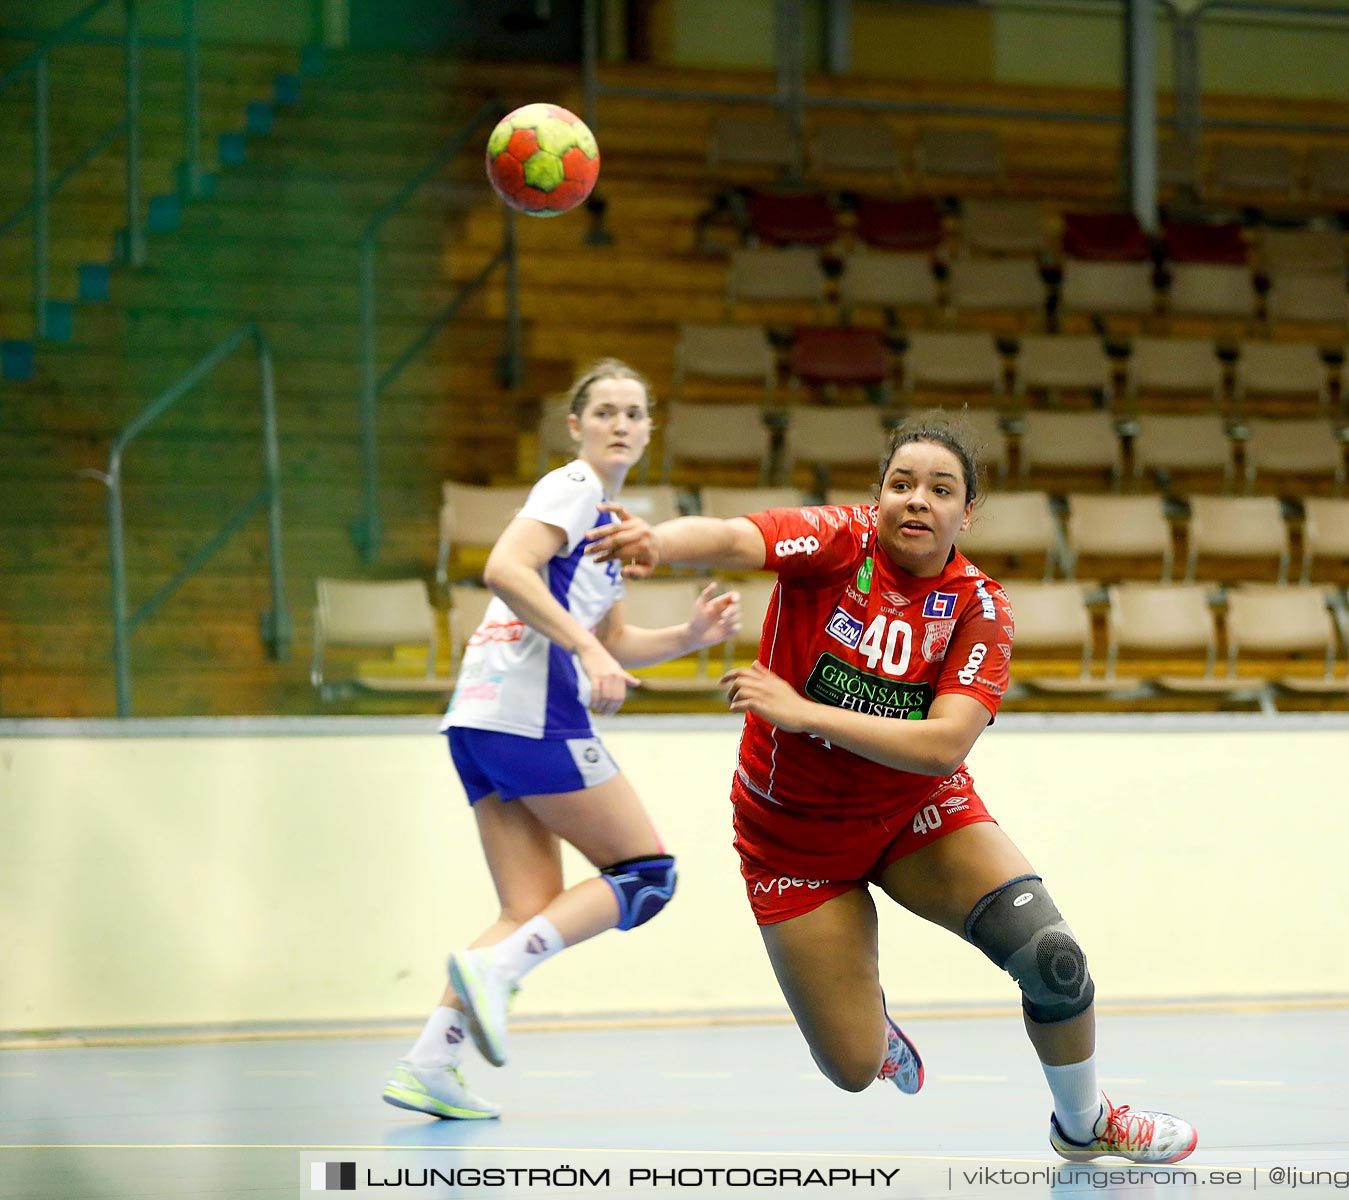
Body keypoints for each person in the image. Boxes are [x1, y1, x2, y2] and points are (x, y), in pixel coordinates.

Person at [585, 414, 1197, 1164]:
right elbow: (737, 537)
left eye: (941, 490)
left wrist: (804, 711)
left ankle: (1083, 1121)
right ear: (877, 497)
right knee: (850, 1068)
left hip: (916, 816)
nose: (918, 500)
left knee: (1053, 960)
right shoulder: (838, 543)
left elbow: (944, 745)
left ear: (965, 513)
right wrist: (658, 541)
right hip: (794, 839)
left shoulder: (979, 606)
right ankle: (870, 1022)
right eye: (901, 484)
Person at [382, 359, 740, 1120]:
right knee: (646, 877)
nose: (620, 424)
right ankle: (502, 973)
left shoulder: (611, 520)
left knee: (530, 905)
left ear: (649, 431)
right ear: (575, 425)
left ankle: (430, 1062)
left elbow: (613, 634)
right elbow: (505, 569)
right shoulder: (571, 485)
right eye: (604, 411)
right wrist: (588, 652)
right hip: (529, 712)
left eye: (634, 414)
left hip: (479, 719)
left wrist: (689, 633)